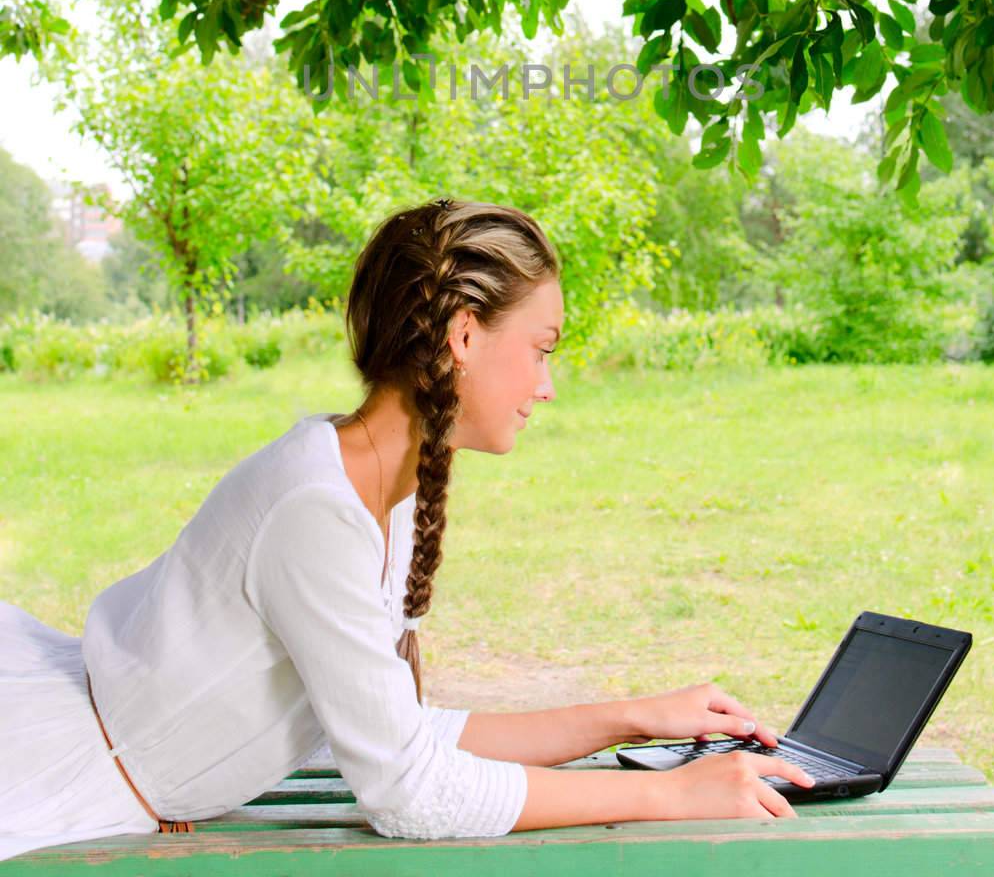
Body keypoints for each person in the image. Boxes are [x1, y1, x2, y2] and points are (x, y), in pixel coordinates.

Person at [0, 196, 811, 861]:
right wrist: (670, 793)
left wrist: (633, 717)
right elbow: (407, 792)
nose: (547, 385)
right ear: (463, 336)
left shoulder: (368, 483)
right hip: (50, 774)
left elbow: (404, 738)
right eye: (540, 349)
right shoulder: (318, 508)